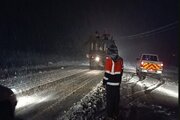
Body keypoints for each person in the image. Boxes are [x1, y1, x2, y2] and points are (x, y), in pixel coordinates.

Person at [102, 40, 123, 120]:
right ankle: (116, 113)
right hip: (116, 84)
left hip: (110, 84)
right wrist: (119, 80)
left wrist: (104, 82)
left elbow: (107, 73)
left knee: (110, 100)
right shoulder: (120, 60)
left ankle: (110, 115)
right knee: (116, 99)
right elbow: (121, 71)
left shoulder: (109, 60)